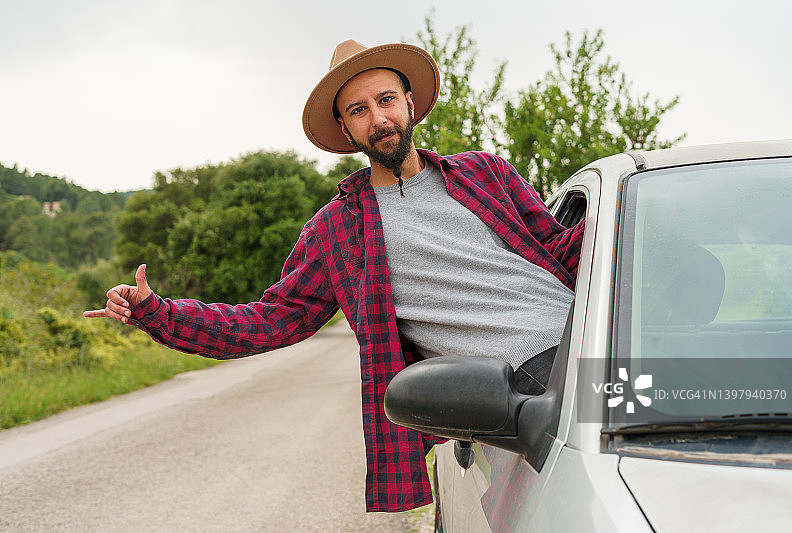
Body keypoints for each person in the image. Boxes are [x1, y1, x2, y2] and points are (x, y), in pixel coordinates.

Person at [84, 40, 584, 512]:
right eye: (358, 110)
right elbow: (272, 319)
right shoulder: (336, 231)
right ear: (346, 131)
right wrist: (158, 311)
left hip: (595, 335)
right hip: (520, 385)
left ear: (410, 102)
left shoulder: (486, 172)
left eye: (386, 99)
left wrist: (641, 212)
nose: (378, 118)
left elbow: (561, 248)